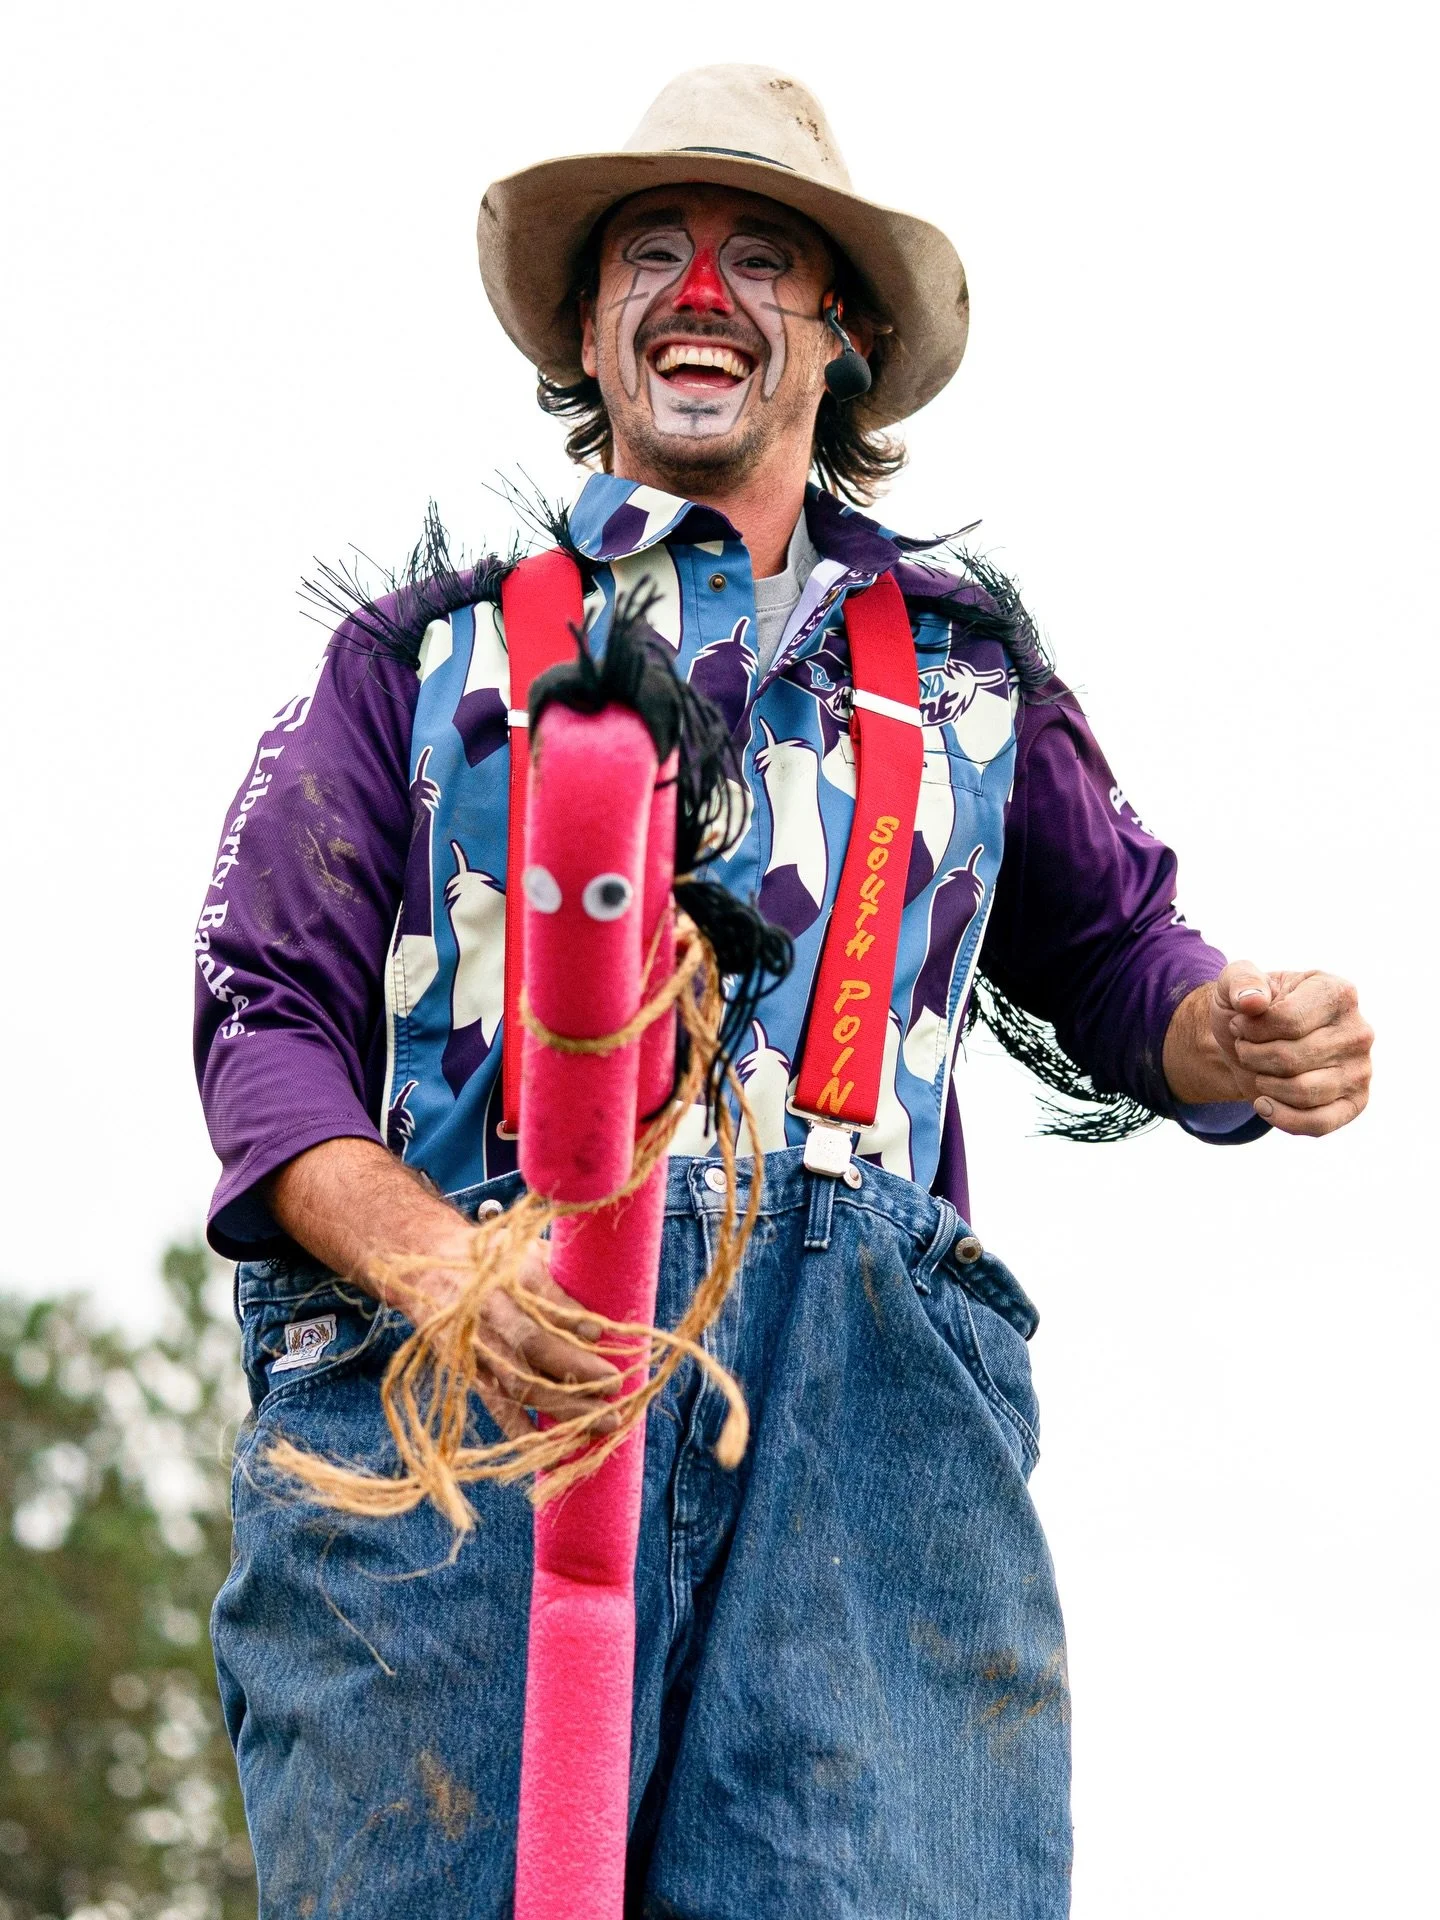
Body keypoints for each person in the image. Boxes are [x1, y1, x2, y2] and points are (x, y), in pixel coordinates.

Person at [196, 63, 1374, 1918]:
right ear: (589, 328)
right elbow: (264, 1018)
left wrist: (1227, 1032)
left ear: (842, 338)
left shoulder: (970, 681)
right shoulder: (417, 662)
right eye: (650, 250)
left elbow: (1128, 957)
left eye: (761, 257)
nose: (697, 287)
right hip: (462, 1394)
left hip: (868, 1436)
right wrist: (430, 1257)